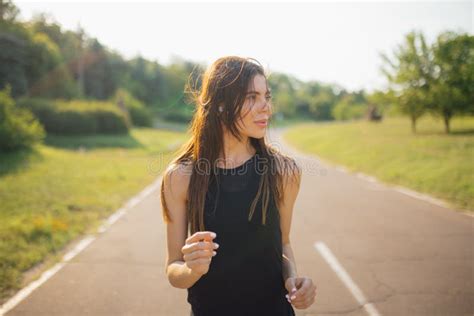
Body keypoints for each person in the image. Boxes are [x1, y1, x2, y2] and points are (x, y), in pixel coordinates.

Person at [161, 56, 317, 316]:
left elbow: (283, 243)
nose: (265, 107)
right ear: (221, 104)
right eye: (251, 97)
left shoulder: (284, 172)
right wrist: (191, 269)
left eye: (266, 96)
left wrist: (293, 279)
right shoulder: (181, 177)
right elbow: (173, 270)